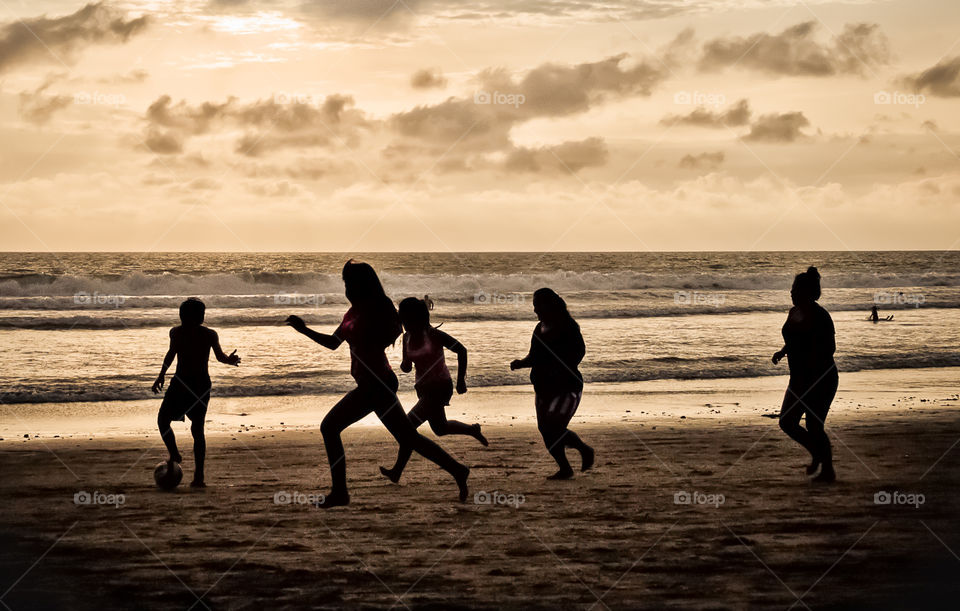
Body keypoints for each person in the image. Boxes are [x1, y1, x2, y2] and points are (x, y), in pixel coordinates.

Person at [286, 260, 469, 508]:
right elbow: (332, 343)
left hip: (377, 383)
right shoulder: (352, 313)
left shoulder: (378, 307)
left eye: (349, 283)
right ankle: (457, 470)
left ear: (361, 285)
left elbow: (394, 330)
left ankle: (340, 492)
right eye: (345, 283)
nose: (346, 289)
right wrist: (304, 330)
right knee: (408, 437)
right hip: (372, 383)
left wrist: (373, 339)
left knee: (329, 427)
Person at [379, 298, 487, 483]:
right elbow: (407, 366)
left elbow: (462, 350)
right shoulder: (407, 337)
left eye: (405, 318)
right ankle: (472, 430)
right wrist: (402, 365)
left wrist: (461, 381)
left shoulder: (434, 335)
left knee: (408, 426)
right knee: (440, 428)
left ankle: (397, 471)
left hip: (440, 387)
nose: (403, 323)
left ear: (416, 317)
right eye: (402, 319)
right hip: (422, 388)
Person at [153, 298, 241, 488]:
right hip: (195, 385)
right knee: (192, 428)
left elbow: (218, 356)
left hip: (189, 384)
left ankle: (190, 467)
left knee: (172, 422)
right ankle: (192, 471)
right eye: (201, 313)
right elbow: (172, 354)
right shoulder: (195, 333)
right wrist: (161, 375)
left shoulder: (192, 333)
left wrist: (230, 360)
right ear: (197, 316)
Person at [511, 288, 594, 480]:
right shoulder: (539, 328)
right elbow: (533, 356)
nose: (535, 311)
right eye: (534, 306)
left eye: (537, 306)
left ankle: (583, 449)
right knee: (546, 430)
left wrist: (560, 367)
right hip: (543, 388)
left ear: (549, 305)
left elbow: (579, 351)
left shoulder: (567, 326)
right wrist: (521, 363)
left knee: (554, 429)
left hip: (566, 387)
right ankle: (565, 468)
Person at [772, 266, 838, 483]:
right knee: (786, 422)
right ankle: (817, 453)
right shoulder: (793, 312)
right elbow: (793, 339)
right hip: (799, 379)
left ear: (807, 292)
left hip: (821, 378)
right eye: (791, 289)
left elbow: (830, 348)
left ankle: (827, 470)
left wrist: (810, 363)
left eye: (795, 290)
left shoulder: (820, 316)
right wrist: (783, 352)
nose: (791, 293)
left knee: (814, 426)